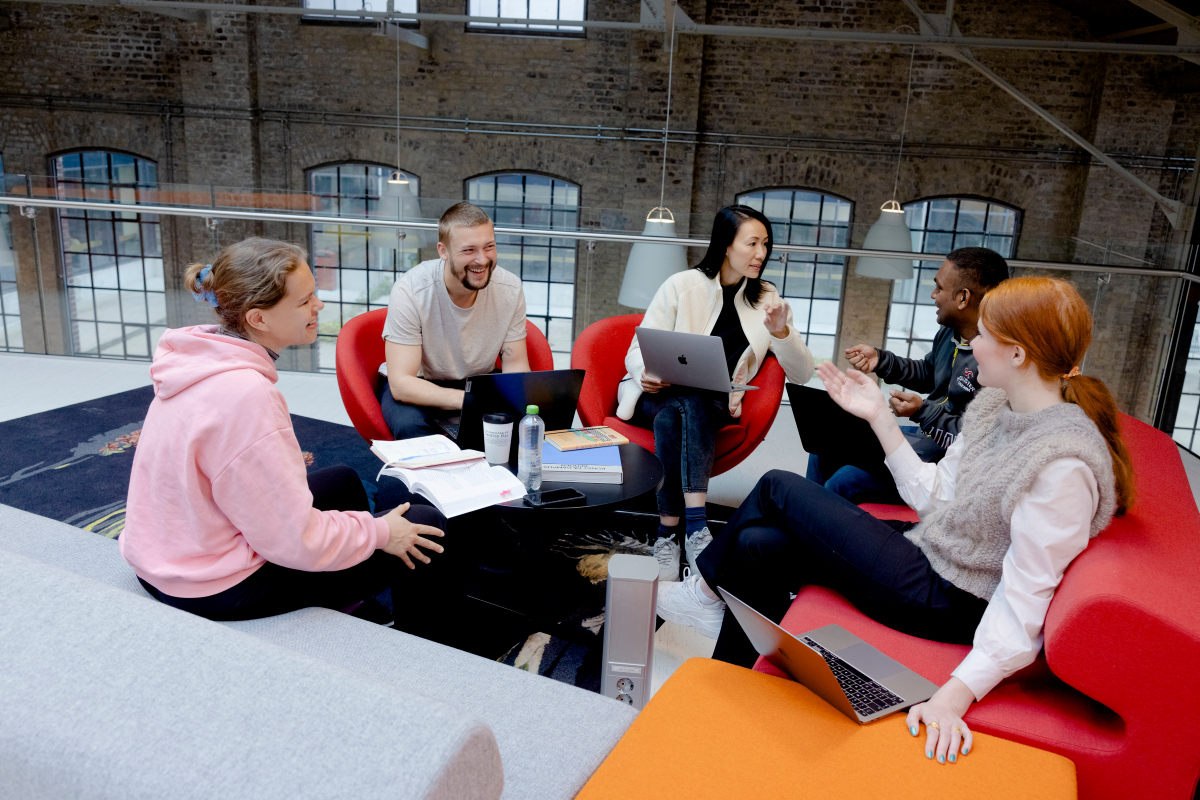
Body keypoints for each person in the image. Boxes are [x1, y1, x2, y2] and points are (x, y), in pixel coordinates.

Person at [657, 276, 1134, 765]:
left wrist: (955, 695)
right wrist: (879, 418)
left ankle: (704, 592)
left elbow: (1024, 601)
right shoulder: (997, 408)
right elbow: (935, 497)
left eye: (984, 336)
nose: (973, 346)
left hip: (951, 598)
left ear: (1018, 354)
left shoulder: (1062, 465)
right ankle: (725, 696)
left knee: (778, 486)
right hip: (932, 549)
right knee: (756, 545)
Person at [121, 237, 469, 649]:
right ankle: (426, 646)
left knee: (342, 481)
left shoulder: (198, 360)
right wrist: (380, 533)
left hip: (165, 555)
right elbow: (293, 541)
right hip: (213, 586)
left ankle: (345, 604)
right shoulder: (246, 397)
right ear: (258, 318)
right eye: (304, 301)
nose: (318, 305)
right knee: (427, 527)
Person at [616, 205, 815, 581]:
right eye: (752, 243)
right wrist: (645, 373)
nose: (761, 253)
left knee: (681, 413)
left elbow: (803, 372)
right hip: (656, 396)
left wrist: (781, 332)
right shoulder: (681, 285)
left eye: (765, 244)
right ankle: (695, 527)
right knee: (679, 407)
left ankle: (667, 534)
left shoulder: (767, 297)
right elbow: (637, 350)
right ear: (726, 244)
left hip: (714, 403)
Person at [809, 247, 1010, 505]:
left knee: (843, 481)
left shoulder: (996, 363)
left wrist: (922, 411)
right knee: (824, 447)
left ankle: (816, 523)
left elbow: (972, 439)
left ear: (963, 298)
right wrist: (881, 360)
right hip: (925, 436)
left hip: (949, 459)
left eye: (939, 288)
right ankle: (801, 516)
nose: (933, 295)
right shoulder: (950, 333)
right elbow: (928, 373)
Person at [378, 202, 530, 440]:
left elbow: (516, 366)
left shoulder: (509, 288)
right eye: (469, 250)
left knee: (520, 423)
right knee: (412, 429)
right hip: (419, 384)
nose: (482, 260)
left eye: (489, 246)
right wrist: (471, 402)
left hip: (478, 381)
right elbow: (402, 383)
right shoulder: (411, 290)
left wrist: (514, 403)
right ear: (443, 251)